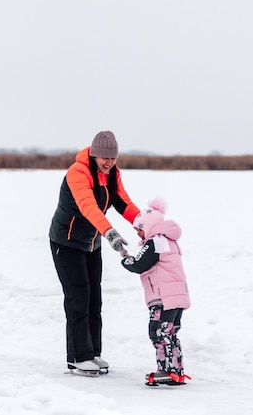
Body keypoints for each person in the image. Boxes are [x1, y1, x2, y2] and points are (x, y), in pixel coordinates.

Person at [49, 130, 140, 373]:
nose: (109, 162)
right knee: (78, 297)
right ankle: (78, 357)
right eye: (104, 158)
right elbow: (88, 207)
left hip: (90, 243)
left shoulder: (112, 175)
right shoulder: (78, 173)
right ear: (95, 155)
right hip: (66, 243)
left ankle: (92, 354)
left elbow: (124, 203)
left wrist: (143, 224)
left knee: (94, 299)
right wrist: (110, 233)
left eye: (113, 158)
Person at [121, 197, 191, 384]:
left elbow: (139, 264)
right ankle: (174, 369)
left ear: (150, 226)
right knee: (169, 333)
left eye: (139, 228)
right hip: (175, 297)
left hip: (163, 299)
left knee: (159, 332)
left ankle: (169, 371)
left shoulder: (155, 242)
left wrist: (125, 259)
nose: (138, 233)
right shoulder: (168, 241)